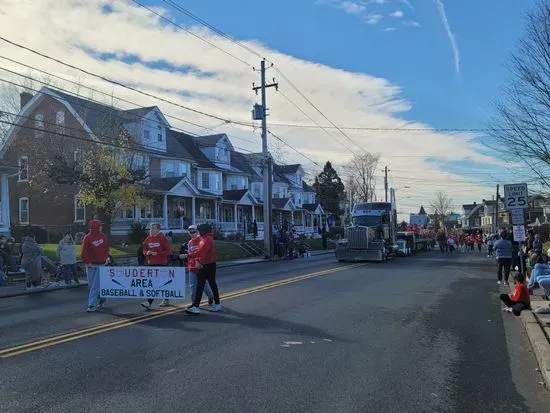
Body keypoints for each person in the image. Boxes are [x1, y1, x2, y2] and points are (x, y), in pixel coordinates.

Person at [186, 223, 221, 314]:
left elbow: (201, 252)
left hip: (209, 265)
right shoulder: (203, 238)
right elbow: (200, 253)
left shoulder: (208, 239)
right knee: (200, 286)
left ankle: (217, 304)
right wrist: (198, 261)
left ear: (203, 230)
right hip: (203, 265)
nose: (197, 232)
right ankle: (196, 306)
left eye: (198, 230)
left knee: (212, 284)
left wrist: (187, 255)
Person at [180, 225, 213, 308]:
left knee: (204, 285)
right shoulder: (190, 242)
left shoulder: (202, 240)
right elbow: (190, 254)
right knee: (192, 286)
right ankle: (194, 303)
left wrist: (199, 262)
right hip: (192, 267)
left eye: (194, 232)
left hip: (201, 266)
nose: (192, 234)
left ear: (198, 232)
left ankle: (210, 296)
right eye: (190, 232)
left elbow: (202, 253)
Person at [141, 223, 172, 310]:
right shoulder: (148, 238)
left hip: (161, 264)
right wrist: (147, 253)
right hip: (151, 263)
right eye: (151, 228)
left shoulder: (163, 238)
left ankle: (149, 302)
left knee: (157, 283)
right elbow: (144, 249)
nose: (151, 229)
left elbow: (168, 251)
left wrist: (157, 254)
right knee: (154, 283)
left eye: (153, 228)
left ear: (158, 229)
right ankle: (165, 299)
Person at [81, 220, 110, 312]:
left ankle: (91, 305)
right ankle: (102, 298)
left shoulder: (103, 236)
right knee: (91, 285)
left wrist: (106, 258)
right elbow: (83, 252)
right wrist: (87, 262)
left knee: (95, 285)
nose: (101, 227)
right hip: (90, 265)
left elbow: (106, 248)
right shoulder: (87, 237)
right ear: (95, 227)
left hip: (101, 264)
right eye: (100, 226)